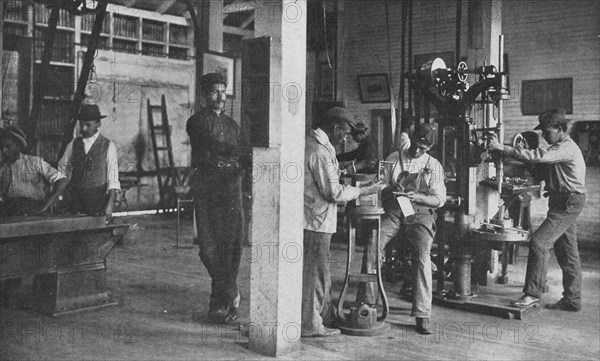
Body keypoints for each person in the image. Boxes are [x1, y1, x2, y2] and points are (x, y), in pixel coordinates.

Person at [488, 108, 586, 311]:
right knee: (567, 252)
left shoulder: (565, 147)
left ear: (560, 129)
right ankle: (572, 299)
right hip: (563, 202)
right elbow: (539, 166)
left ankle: (532, 294)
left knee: (539, 242)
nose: (544, 135)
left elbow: (539, 156)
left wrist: (503, 148)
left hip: (567, 204)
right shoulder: (559, 148)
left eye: (547, 131)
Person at [358, 123, 446, 335]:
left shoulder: (433, 165)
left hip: (421, 212)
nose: (416, 151)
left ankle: (423, 313)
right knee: (373, 245)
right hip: (396, 211)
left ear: (429, 149)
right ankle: (366, 305)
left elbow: (439, 199)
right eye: (415, 145)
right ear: (410, 139)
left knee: (422, 255)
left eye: (422, 149)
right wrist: (387, 188)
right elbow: (380, 183)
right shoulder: (393, 158)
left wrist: (420, 197)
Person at [302, 107, 380, 337]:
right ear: (335, 128)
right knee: (314, 275)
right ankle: (310, 324)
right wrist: (361, 190)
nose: (345, 138)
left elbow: (331, 174)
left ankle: (323, 315)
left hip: (316, 219)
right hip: (315, 222)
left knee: (320, 271)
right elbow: (333, 192)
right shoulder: (318, 150)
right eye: (344, 133)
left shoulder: (318, 145)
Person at [186, 72, 249, 324]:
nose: (221, 96)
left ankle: (219, 304)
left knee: (232, 247)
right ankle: (231, 292)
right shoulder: (196, 122)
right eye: (214, 91)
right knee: (209, 247)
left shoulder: (234, 126)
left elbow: (244, 154)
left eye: (224, 91)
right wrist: (239, 153)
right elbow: (211, 145)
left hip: (232, 187)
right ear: (203, 96)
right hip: (208, 188)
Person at [58, 104, 120, 219]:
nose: (83, 129)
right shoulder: (73, 144)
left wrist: (109, 205)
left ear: (98, 124)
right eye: (81, 124)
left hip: (97, 202)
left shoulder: (108, 146)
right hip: (76, 201)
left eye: (88, 125)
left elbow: (113, 179)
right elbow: (62, 170)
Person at [0, 125, 68, 216]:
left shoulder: (34, 162)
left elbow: (62, 180)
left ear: (19, 146)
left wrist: (46, 205)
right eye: (2, 147)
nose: (4, 150)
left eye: (8, 147)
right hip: (10, 213)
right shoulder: (2, 167)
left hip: (34, 211)